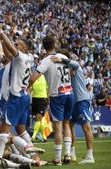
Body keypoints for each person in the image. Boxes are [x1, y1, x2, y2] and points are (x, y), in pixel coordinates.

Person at [29, 36, 74, 165]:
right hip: (69, 92)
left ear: (44, 47)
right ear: (55, 44)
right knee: (66, 124)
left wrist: (27, 87)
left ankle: (58, 158)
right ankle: (68, 155)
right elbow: (72, 70)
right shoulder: (63, 57)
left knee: (58, 126)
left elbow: (34, 77)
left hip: (57, 95)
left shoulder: (46, 60)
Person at [0, 25, 34, 157]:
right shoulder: (29, 58)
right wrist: (2, 41)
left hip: (16, 96)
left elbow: (11, 49)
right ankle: (33, 155)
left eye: (19, 44)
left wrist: (2, 34)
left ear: (25, 48)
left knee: (5, 128)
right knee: (20, 128)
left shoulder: (22, 57)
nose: (16, 44)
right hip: (24, 96)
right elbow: (8, 53)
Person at [51, 55, 95, 164]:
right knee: (69, 126)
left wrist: (61, 60)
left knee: (86, 127)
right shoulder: (68, 75)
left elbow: (73, 63)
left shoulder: (77, 68)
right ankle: (72, 153)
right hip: (74, 102)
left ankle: (90, 156)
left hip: (82, 101)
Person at [30, 74, 48, 142]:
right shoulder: (33, 77)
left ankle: (33, 136)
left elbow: (47, 88)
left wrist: (48, 98)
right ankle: (43, 136)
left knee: (38, 118)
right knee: (38, 119)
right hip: (34, 98)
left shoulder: (45, 77)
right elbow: (30, 88)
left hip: (42, 98)